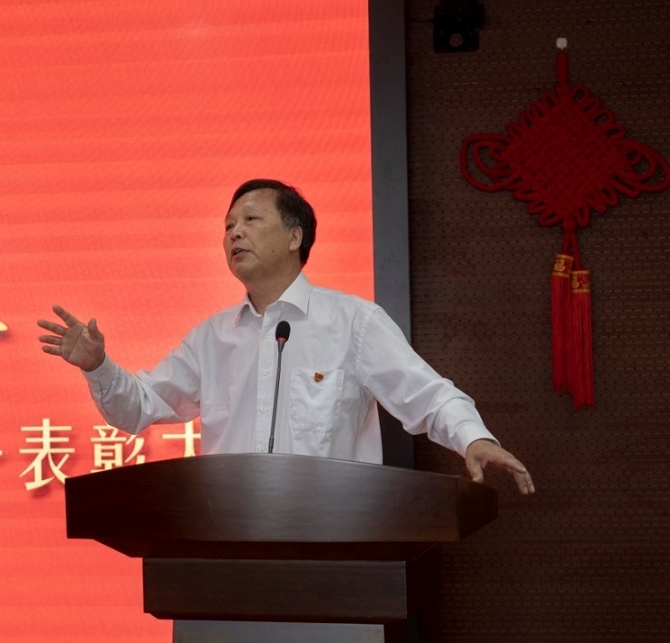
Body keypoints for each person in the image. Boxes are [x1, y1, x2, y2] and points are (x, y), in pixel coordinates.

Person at [38, 179, 535, 494]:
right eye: (228, 226)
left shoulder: (353, 322)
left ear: (295, 236)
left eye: (251, 220)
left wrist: (473, 438)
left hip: (335, 546)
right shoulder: (211, 339)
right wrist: (99, 367)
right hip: (226, 545)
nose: (234, 233)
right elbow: (138, 408)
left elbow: (429, 397)